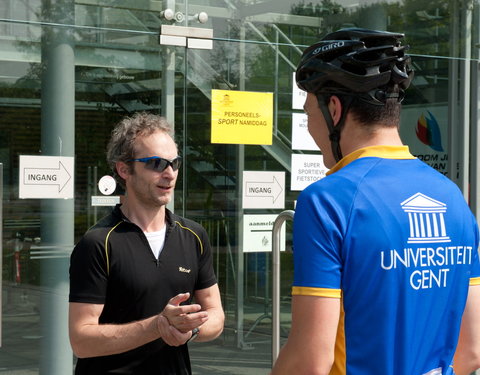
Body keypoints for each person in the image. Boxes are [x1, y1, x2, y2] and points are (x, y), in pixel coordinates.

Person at [271, 28, 480, 375]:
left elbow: (310, 362)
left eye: (310, 113)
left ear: (334, 109)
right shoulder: (452, 198)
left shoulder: (328, 201)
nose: (310, 126)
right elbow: (471, 350)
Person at [69, 112, 224, 374]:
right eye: (155, 163)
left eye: (174, 163)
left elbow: (216, 316)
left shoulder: (194, 235)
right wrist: (158, 326)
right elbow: (81, 341)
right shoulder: (98, 243)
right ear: (124, 169)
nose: (169, 173)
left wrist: (190, 330)